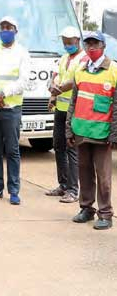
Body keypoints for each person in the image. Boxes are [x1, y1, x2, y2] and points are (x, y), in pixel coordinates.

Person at [67, 31, 114, 230]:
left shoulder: (113, 71)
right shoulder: (80, 70)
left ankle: (105, 214)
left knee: (103, 176)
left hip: (102, 134)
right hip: (81, 131)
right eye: (88, 44)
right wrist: (69, 130)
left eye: (95, 44)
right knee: (84, 173)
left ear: (103, 46)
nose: (91, 48)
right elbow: (73, 102)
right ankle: (86, 208)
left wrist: (114, 134)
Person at [0, 16, 31, 206]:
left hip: (11, 109)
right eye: (2, 27)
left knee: (12, 151)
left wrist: (3, 94)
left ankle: (14, 191)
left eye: (8, 27)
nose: (5, 30)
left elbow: (23, 81)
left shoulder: (22, 53)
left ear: (15, 30)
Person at [46, 26, 85, 203]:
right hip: (60, 110)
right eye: (64, 42)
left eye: (70, 42)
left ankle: (73, 190)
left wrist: (58, 89)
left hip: (75, 111)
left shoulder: (83, 59)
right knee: (58, 146)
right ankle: (63, 185)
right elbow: (55, 77)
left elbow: (75, 82)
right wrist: (52, 94)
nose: (67, 44)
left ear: (78, 40)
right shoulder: (63, 58)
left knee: (72, 149)